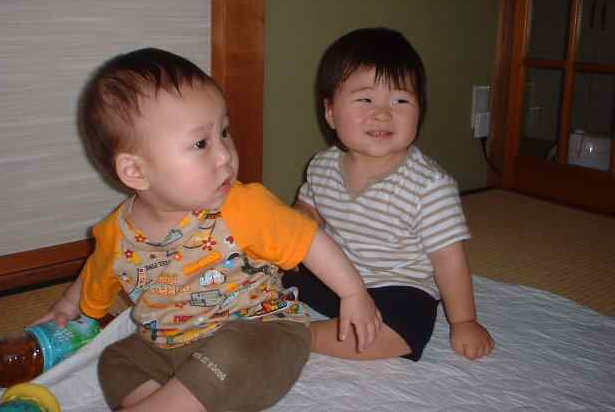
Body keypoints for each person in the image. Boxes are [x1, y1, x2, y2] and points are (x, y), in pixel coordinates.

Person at [36, 48, 382, 412]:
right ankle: (164, 401)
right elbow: (96, 273)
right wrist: (67, 307)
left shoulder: (242, 206)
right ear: (135, 172)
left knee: (230, 352)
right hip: (171, 343)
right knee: (115, 359)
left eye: (224, 132)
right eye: (201, 143)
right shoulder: (116, 235)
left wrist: (353, 292)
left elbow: (310, 240)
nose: (225, 155)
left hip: (260, 330)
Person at [283, 27, 494, 362]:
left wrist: (464, 320)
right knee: (271, 267)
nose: (382, 113)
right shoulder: (322, 165)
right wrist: (299, 220)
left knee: (404, 327)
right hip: (338, 278)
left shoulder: (429, 187)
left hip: (396, 287)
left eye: (400, 100)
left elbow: (449, 261)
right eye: (365, 99)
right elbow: (309, 208)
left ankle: (299, 335)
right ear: (331, 112)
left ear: (420, 111)